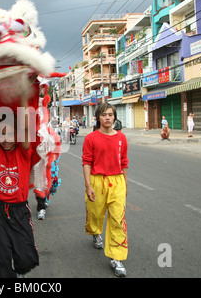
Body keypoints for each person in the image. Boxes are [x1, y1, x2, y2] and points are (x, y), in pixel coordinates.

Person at [0, 96, 40, 278]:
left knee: (26, 257)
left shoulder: (24, 152)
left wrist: (22, 92)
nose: (6, 139)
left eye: (11, 134)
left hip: (19, 211)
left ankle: (21, 271)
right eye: (2, 134)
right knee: (1, 257)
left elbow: (25, 124)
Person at [82, 102, 129, 277]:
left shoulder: (121, 138)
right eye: (104, 115)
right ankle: (95, 232)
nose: (107, 117)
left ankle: (116, 258)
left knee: (118, 218)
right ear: (98, 118)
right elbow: (86, 161)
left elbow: (124, 162)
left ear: (114, 117)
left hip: (117, 181)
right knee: (95, 213)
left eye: (110, 114)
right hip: (97, 181)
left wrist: (125, 184)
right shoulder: (91, 138)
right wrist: (88, 185)